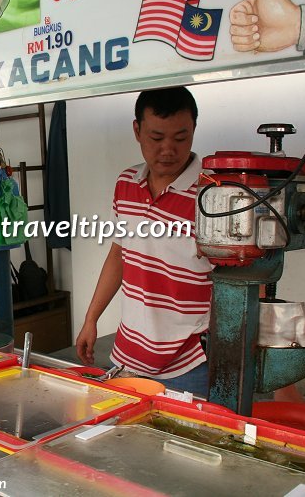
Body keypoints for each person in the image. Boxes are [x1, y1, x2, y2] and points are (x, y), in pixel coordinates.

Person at [75, 87, 214, 396]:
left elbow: (244, 281)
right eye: (156, 138)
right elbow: (118, 254)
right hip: (128, 355)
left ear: (194, 130)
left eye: (180, 138)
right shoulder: (126, 183)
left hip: (189, 362)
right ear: (137, 130)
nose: (168, 149)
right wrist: (91, 319)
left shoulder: (212, 195)